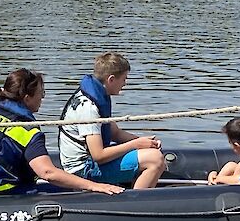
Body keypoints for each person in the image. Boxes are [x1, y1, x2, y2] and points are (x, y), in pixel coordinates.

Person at [0, 69, 123, 197]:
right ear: (27, 99)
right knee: (73, 192)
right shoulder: (28, 130)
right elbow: (47, 172)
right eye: (41, 94)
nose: (42, 98)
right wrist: (93, 186)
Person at [58, 52, 165, 189]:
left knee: (152, 153)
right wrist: (135, 144)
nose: (125, 84)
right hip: (82, 169)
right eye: (124, 79)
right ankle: (135, 203)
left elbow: (115, 133)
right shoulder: (89, 108)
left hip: (90, 162)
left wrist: (146, 142)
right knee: (155, 160)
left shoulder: (97, 96)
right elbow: (98, 155)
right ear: (111, 79)